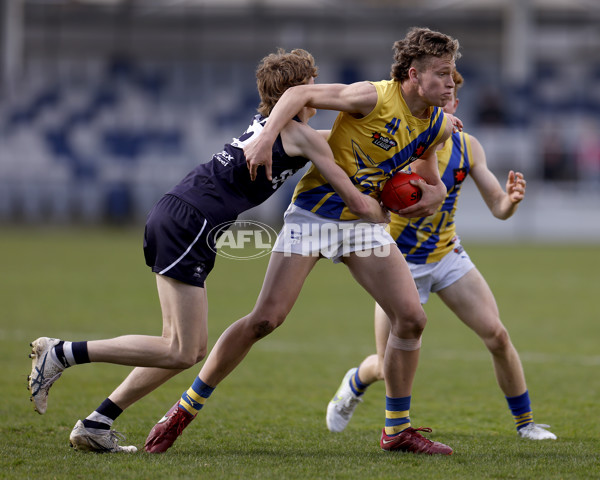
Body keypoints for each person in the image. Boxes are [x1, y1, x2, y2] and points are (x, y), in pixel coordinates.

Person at [26, 48, 387, 453]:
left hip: (180, 213)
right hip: (189, 220)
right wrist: (383, 209)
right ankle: (62, 353)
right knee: (183, 349)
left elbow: (347, 141)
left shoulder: (269, 123)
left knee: (180, 346)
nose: (319, 93)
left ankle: (97, 422)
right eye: (311, 85)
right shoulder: (296, 134)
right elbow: (353, 196)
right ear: (299, 91)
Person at [144, 26, 461, 455]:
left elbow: (431, 178)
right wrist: (266, 137)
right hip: (314, 214)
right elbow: (295, 97)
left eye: (452, 73)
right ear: (412, 74)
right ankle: (184, 409)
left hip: (363, 226)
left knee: (411, 318)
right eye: (441, 73)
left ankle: (397, 430)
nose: (450, 81)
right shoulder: (372, 96)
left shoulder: (438, 127)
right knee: (265, 320)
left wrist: (432, 196)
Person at [325, 69, 557, 441]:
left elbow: (497, 206)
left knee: (497, 335)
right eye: (433, 99)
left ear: (455, 105)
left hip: (448, 256)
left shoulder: (469, 147)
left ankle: (526, 424)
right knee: (386, 367)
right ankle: (355, 381)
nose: (439, 106)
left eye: (446, 100)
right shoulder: (397, 141)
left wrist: (511, 202)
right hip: (397, 263)